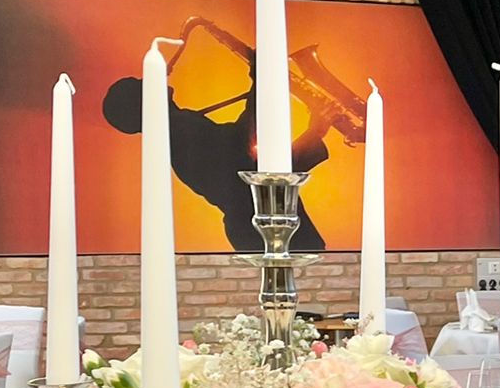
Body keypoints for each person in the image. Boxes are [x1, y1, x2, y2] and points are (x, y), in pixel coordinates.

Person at [101, 38, 339, 251]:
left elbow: (249, 163)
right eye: (141, 84)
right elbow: (245, 147)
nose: (151, 80)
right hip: (266, 224)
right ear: (144, 102)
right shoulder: (179, 128)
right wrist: (262, 79)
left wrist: (313, 132)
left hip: (259, 225)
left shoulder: (175, 132)